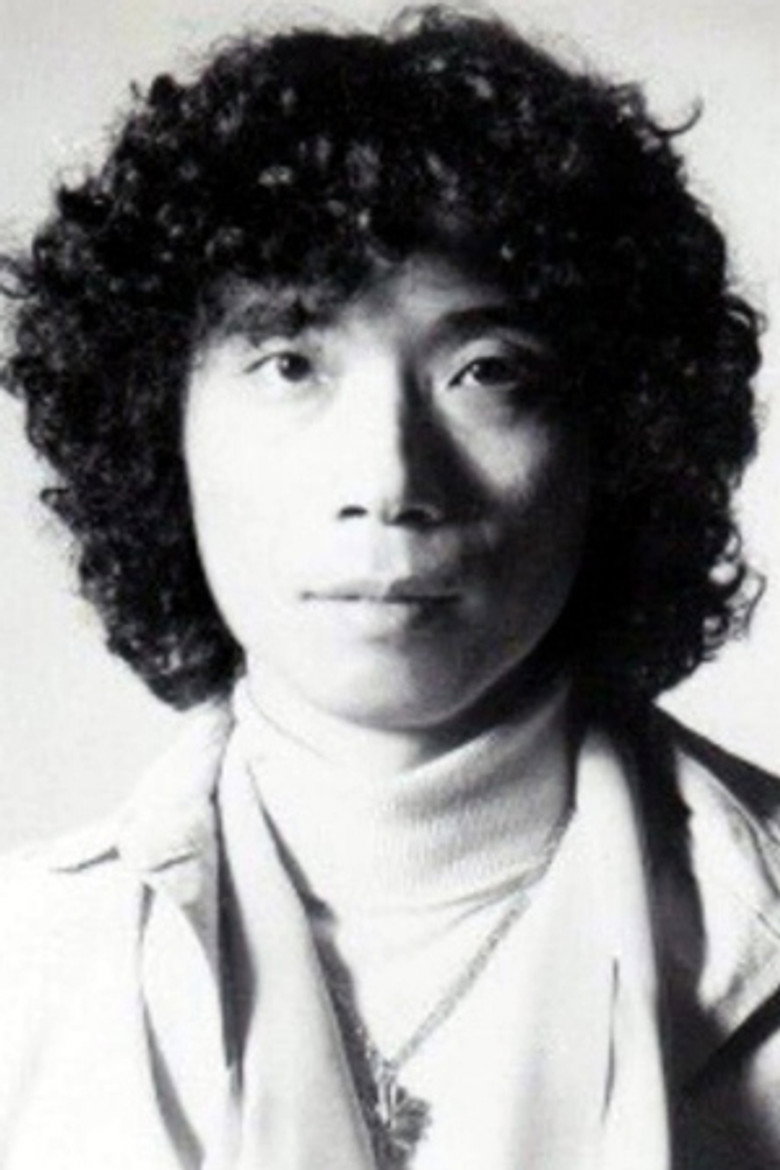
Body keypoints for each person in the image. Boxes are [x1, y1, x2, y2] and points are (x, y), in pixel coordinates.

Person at [0, 6, 778, 1168]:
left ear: (617, 437)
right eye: (289, 362)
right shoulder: (21, 963)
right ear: (161, 426)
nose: (389, 482)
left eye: (487, 371)